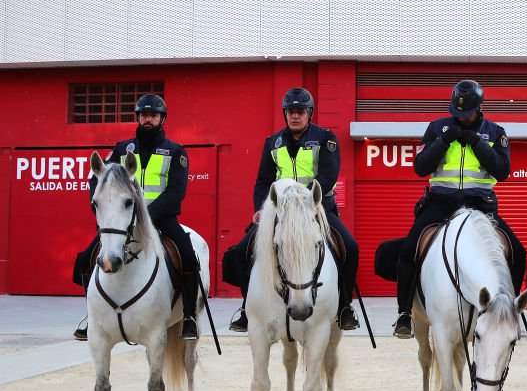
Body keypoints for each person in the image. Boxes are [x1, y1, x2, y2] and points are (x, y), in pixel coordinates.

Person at [392, 80, 527, 338]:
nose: (462, 117)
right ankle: (404, 312)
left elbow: (502, 171)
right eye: (457, 112)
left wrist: (477, 142)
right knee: (409, 249)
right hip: (440, 203)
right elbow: (420, 167)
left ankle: (508, 309)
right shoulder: (436, 128)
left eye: (467, 113)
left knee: (517, 251)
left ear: (479, 108)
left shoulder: (495, 132)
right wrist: (443, 140)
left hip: (480, 205)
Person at [227, 87, 359, 332]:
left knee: (349, 247)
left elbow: (328, 177)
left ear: (309, 113)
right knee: (241, 252)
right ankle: (247, 308)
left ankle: (344, 306)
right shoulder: (272, 142)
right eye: (290, 112)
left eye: (300, 111)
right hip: (280, 212)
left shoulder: (325, 138)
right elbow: (263, 182)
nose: (294, 116)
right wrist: (261, 208)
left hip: (316, 209)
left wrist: (305, 200)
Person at [73, 94, 200, 341]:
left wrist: (146, 216)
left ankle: (188, 317)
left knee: (187, 256)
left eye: (153, 115)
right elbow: (96, 180)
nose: (148, 119)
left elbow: (176, 192)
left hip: (161, 218)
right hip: (122, 221)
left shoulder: (176, 151)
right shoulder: (121, 149)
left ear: (162, 119)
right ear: (138, 118)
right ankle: (91, 315)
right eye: (144, 115)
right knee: (85, 259)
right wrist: (102, 210)